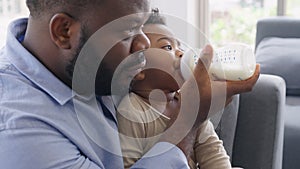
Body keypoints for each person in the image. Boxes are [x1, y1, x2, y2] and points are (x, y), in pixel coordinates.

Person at [0, 0, 260, 168]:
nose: (144, 45)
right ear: (64, 31)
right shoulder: (21, 132)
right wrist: (186, 123)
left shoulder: (93, 65)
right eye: (128, 32)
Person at [117, 10, 241, 169]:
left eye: (179, 47)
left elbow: (211, 149)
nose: (181, 53)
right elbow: (127, 165)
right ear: (138, 68)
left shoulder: (190, 101)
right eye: (167, 46)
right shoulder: (131, 112)